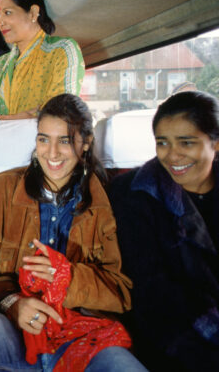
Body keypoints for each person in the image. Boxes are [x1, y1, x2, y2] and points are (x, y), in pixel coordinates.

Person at [0, 94, 147, 371]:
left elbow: (121, 289)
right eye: (43, 139)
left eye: (65, 140)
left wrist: (67, 278)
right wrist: (12, 303)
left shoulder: (110, 204)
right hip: (10, 327)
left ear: (85, 143)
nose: (52, 152)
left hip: (85, 333)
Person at [109, 91, 219, 371]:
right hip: (171, 337)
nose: (173, 155)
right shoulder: (134, 198)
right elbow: (152, 296)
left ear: (215, 144)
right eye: (163, 143)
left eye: (186, 142)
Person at [0, 0, 85, 127]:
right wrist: (23, 117)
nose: (0, 23)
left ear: (33, 12)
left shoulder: (62, 50)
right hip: (2, 146)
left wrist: (3, 119)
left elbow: (62, 112)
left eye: (7, 13)